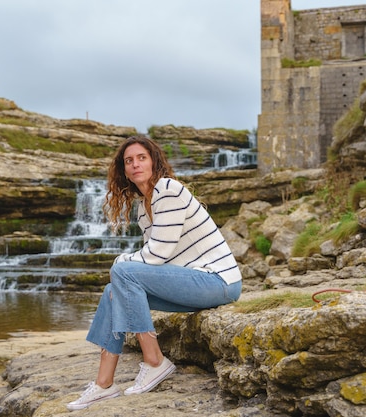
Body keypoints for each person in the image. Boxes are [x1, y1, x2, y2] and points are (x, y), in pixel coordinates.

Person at [66, 135, 242, 411]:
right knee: (114, 291)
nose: (135, 164)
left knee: (123, 272)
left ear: (154, 161)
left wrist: (121, 261)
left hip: (217, 281)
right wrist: (124, 267)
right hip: (190, 282)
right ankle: (103, 384)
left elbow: (158, 254)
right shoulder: (143, 207)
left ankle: (155, 361)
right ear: (124, 171)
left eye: (141, 158)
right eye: (128, 161)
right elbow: (154, 262)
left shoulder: (168, 189)